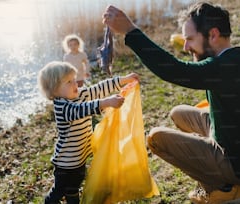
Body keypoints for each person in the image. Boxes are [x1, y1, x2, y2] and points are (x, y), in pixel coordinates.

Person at [102, 2, 240, 204]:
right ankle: (214, 162)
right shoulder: (232, 57)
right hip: (231, 135)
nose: (185, 47)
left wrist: (131, 31)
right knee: (178, 112)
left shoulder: (223, 67)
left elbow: (175, 70)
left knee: (156, 138)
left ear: (213, 35)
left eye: (190, 39)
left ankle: (222, 189)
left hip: (234, 160)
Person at [37, 61, 139, 204]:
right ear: (54, 90)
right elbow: (82, 110)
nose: (75, 84)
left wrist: (123, 80)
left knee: (74, 187)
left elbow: (98, 88)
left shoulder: (78, 94)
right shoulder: (62, 107)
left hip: (80, 158)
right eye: (68, 82)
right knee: (59, 190)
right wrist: (105, 103)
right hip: (65, 163)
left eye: (74, 79)